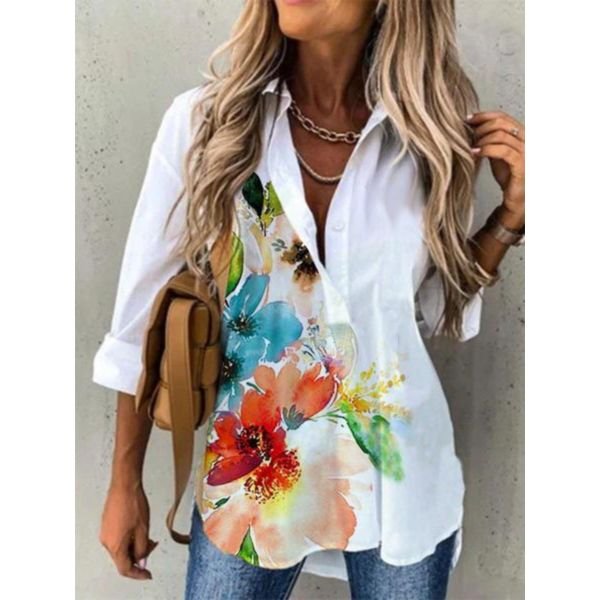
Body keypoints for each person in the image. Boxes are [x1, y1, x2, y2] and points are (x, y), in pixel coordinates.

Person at [93, 1, 525, 598]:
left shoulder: (428, 139)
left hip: (400, 478)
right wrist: (124, 482)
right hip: (250, 476)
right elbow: (139, 321)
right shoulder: (207, 123)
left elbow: (425, 311)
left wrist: (509, 218)